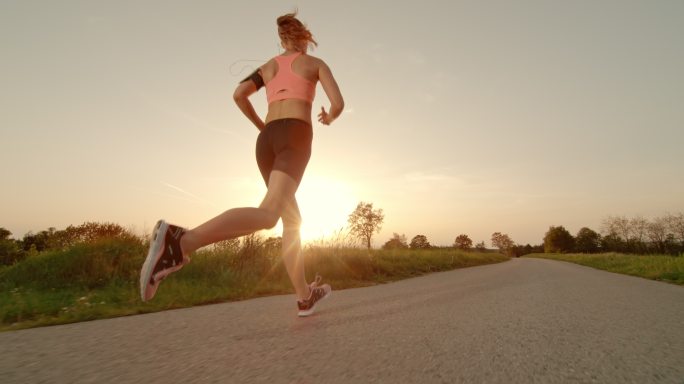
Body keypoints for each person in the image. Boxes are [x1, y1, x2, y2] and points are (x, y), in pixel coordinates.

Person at [139, 12, 344, 317]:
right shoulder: (315, 64)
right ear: (303, 38)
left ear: (282, 39)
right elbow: (338, 103)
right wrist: (329, 117)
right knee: (269, 215)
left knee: (291, 220)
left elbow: (239, 94)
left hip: (267, 140)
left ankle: (304, 296)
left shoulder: (269, 67)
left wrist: (262, 126)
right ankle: (180, 243)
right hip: (295, 137)